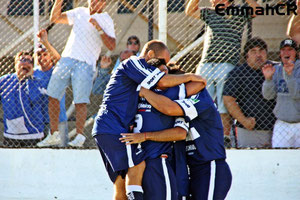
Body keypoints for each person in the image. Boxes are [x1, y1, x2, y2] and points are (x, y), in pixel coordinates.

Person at [92, 40, 206, 200]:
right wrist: (191, 76)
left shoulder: (143, 83)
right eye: (162, 62)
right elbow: (163, 81)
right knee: (137, 165)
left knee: (121, 183)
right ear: (150, 55)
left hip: (106, 128)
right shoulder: (134, 63)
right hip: (113, 127)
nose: (162, 69)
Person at [119, 59, 205, 200]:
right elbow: (200, 83)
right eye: (163, 73)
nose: (168, 76)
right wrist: (189, 76)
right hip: (157, 161)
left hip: (137, 162)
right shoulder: (167, 94)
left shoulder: (133, 94)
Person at [38, 0, 116, 147]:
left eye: (99, 0)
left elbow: (112, 45)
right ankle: (54, 134)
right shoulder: (80, 12)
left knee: (80, 101)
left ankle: (80, 137)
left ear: (105, 3)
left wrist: (99, 28)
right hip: (67, 59)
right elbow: (55, 18)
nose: (95, 2)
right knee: (52, 95)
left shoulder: (106, 19)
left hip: (85, 63)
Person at [185, 0, 261, 143]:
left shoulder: (239, 12)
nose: (212, 1)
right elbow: (189, 11)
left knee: (223, 103)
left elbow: (257, 10)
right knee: (199, 101)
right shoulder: (210, 12)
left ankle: (224, 138)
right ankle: (199, 136)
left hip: (227, 64)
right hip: (207, 63)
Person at [223, 37, 276, 148]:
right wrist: (244, 121)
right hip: (249, 130)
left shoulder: (276, 69)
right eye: (253, 51)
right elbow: (228, 99)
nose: (258, 55)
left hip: (276, 129)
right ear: (246, 55)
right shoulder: (238, 73)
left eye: (261, 51)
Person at [0, 51, 45, 147]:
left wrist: (29, 79)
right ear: (15, 64)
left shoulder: (36, 82)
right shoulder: (4, 81)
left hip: (33, 134)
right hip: (11, 134)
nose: (26, 63)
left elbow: (35, 99)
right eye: (23, 60)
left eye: (29, 61)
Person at [262, 38, 300, 148]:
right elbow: (268, 96)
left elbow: (296, 94)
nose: (286, 53)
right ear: (280, 53)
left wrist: (289, 75)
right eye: (283, 50)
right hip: (282, 124)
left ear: (296, 52)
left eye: (290, 50)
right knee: (278, 156)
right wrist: (268, 79)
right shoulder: (276, 69)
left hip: (299, 122)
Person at [34, 29, 68, 147]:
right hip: (39, 121)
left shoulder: (57, 71)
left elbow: (60, 60)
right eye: (39, 55)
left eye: (45, 54)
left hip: (58, 120)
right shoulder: (34, 73)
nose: (42, 57)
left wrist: (46, 43)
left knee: (61, 152)